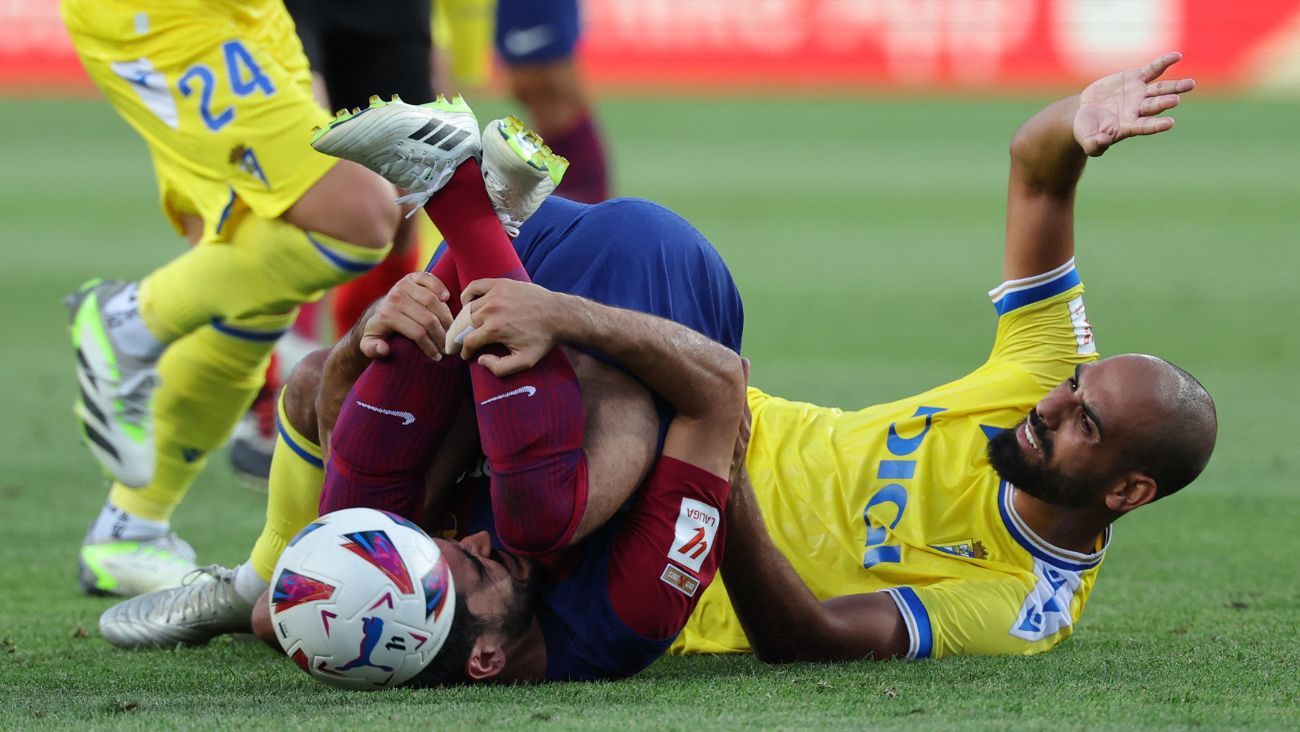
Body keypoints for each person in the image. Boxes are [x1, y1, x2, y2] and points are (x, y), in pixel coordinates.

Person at [102, 103, 747, 682]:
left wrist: (374, 330)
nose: (477, 544)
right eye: (476, 572)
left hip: (520, 258)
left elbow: (318, 386)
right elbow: (721, 390)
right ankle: (465, 203)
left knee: (355, 515)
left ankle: (469, 206)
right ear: (485, 659)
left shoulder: (416, 599)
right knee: (536, 522)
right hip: (642, 259)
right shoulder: (628, 614)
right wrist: (563, 317)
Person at [672, 52, 1217, 661]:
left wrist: (724, 476)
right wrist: (1075, 122)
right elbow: (1037, 174)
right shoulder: (1046, 366)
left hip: (675, 546)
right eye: (1072, 386)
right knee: (656, 246)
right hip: (706, 416)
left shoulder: (1021, 604)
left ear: (1127, 491)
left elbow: (807, 638)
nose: (1048, 407)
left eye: (1086, 424)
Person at [62, 0, 405, 597]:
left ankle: (132, 526)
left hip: (252, 15)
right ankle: (131, 320)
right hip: (169, 19)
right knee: (360, 216)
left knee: (260, 275)